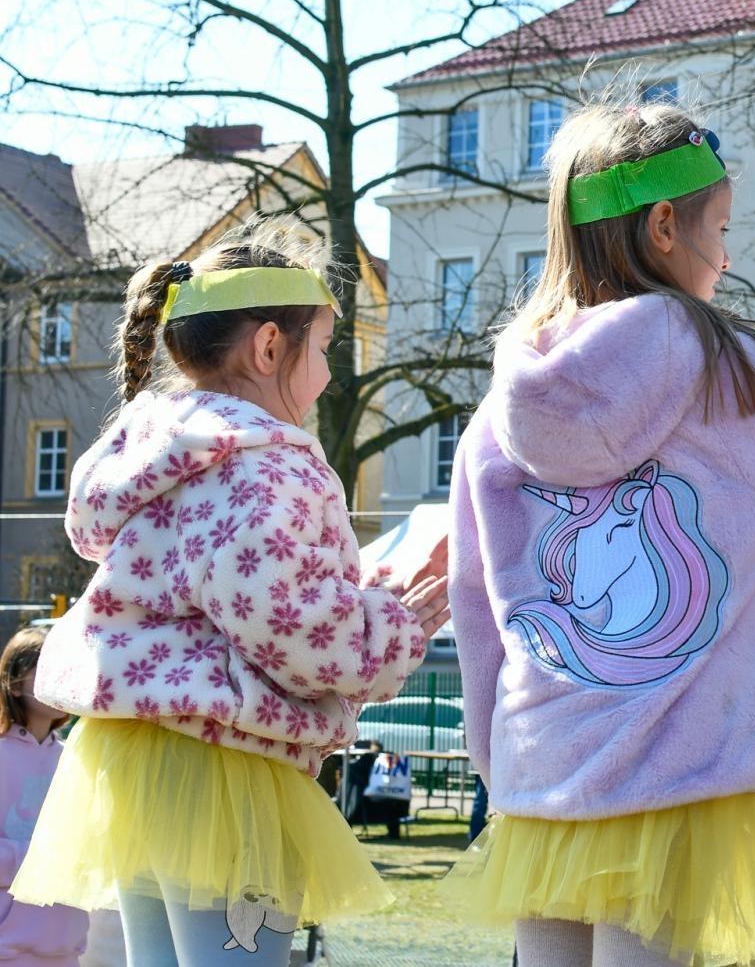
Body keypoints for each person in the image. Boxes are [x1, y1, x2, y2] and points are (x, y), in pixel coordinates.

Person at [440, 98, 755, 967]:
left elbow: (477, 603)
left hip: (545, 769)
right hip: (685, 777)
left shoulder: (495, 413)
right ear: (666, 226)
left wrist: (498, 759)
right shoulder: (721, 370)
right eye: (721, 227)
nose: (729, 253)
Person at [9, 222, 451, 966]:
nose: (329, 378)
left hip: (136, 762)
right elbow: (293, 629)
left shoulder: (155, 459)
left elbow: (242, 594)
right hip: (227, 769)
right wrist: (397, 624)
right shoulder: (268, 466)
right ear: (270, 347)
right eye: (324, 351)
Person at [1, 628, 90, 966]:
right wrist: (44, 862)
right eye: (46, 668)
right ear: (15, 680)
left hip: (67, 946)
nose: (59, 679)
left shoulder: (76, 760)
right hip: (9, 949)